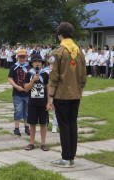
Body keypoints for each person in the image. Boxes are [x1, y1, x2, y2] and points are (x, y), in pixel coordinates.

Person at [48, 22, 87, 167]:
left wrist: (50, 97)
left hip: (61, 96)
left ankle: (65, 159)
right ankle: (71, 157)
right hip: (75, 95)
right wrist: (80, 94)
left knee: (63, 126)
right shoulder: (79, 52)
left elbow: (53, 77)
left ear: (60, 35)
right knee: (72, 125)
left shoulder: (57, 52)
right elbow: (83, 77)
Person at [24, 54, 50, 151]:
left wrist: (49, 103)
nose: (37, 64)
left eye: (39, 62)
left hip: (43, 103)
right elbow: (26, 89)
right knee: (32, 123)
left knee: (43, 123)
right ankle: (32, 143)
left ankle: (43, 143)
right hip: (32, 103)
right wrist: (33, 80)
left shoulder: (45, 75)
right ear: (32, 63)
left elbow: (48, 88)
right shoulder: (29, 74)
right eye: (35, 62)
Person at [8, 49, 30, 136]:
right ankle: (16, 128)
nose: (22, 58)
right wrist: (16, 86)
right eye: (20, 57)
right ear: (17, 57)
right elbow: (10, 78)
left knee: (27, 110)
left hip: (28, 93)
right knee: (18, 110)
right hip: (17, 93)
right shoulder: (14, 67)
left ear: (26, 57)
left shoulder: (29, 67)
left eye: (23, 57)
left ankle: (27, 127)